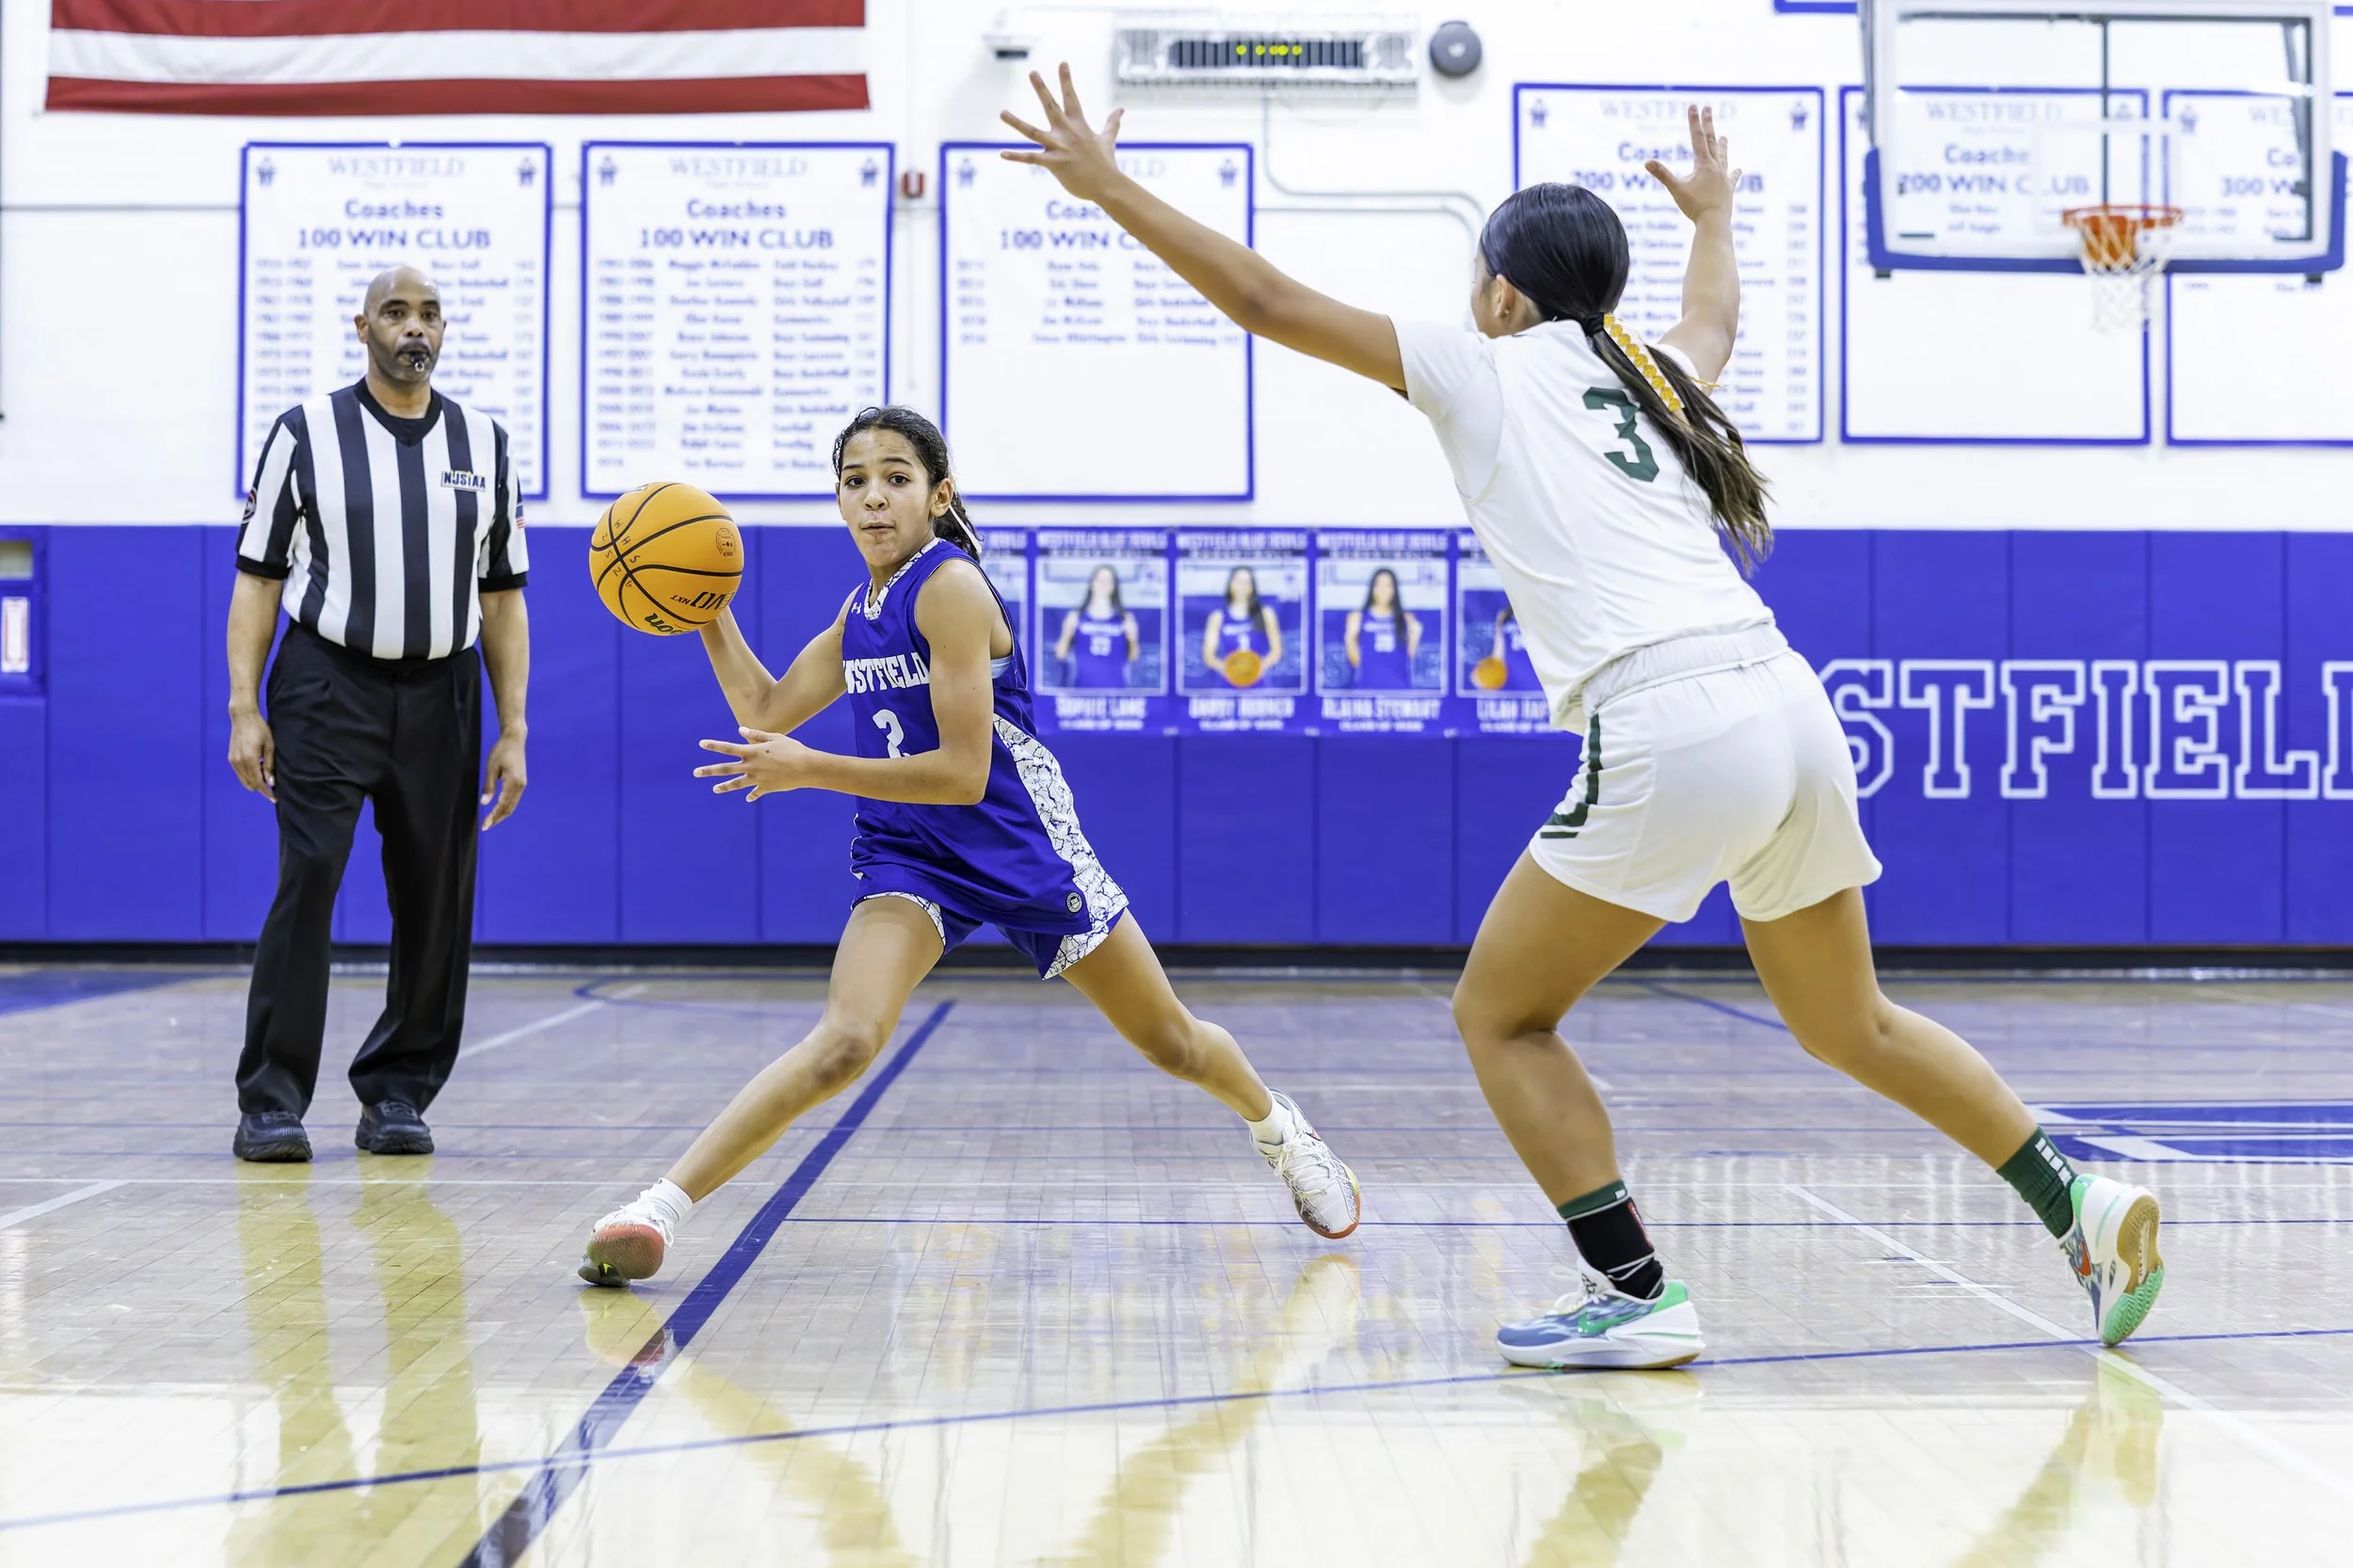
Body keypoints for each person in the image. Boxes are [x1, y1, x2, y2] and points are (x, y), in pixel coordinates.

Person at [1003, 74, 2164, 1366]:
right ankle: (2081, 1201)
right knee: (1855, 1020)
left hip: (1668, 716)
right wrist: (1716, 215)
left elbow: (1267, 300)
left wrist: (1106, 188)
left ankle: (1637, 1289)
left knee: (1501, 1015)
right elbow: (1714, 317)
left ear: (1503, 292)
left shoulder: (1484, 365)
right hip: (1785, 702)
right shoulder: (1652, 375)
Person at [576, 406, 1360, 1285]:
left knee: (1172, 1043)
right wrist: (706, 606)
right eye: (855, 481)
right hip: (910, 854)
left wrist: (810, 768)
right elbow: (763, 713)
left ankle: (1282, 1133)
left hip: (1020, 846)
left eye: (896, 478)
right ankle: (657, 1210)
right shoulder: (861, 610)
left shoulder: (949, 588)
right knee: (844, 1040)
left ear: (938, 496)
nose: (874, 497)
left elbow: (959, 770)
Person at [226, 264, 530, 1164]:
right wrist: (245, 705)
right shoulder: (306, 433)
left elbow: (505, 599)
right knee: (310, 878)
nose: (416, 328)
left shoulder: (486, 441)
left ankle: (398, 1091)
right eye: (397, 313)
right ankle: (271, 1102)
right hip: (326, 683)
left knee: (435, 897)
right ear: (362, 328)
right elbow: (259, 580)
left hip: (446, 689)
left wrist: (513, 727)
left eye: (430, 314)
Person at [1054, 563, 1138, 688]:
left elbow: (1133, 658)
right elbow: (1060, 654)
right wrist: (1066, 635)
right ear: (1091, 583)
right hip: (1083, 690)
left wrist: (1133, 640)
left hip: (1116, 691)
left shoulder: (1124, 619)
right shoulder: (1076, 617)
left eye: (1108, 581)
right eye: (1099, 580)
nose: (1103, 584)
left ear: (1114, 586)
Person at [1201, 565, 1281, 686]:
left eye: (1247, 582)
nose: (1242, 586)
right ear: (1230, 585)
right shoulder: (1217, 617)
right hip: (1228, 682)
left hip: (1258, 682)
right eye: (1238, 581)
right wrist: (1228, 670)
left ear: (1252, 587)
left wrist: (1258, 669)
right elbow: (1209, 655)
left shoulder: (1266, 614)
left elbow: (1276, 651)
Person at [1344, 567, 1420, 689]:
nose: (1383, 590)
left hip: (1398, 689)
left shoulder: (1406, 618)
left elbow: (1407, 657)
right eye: (1379, 585)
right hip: (1368, 687)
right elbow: (1356, 662)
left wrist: (1415, 637)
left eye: (1388, 585)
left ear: (1395, 589)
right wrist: (1350, 638)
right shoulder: (1358, 617)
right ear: (1372, 588)